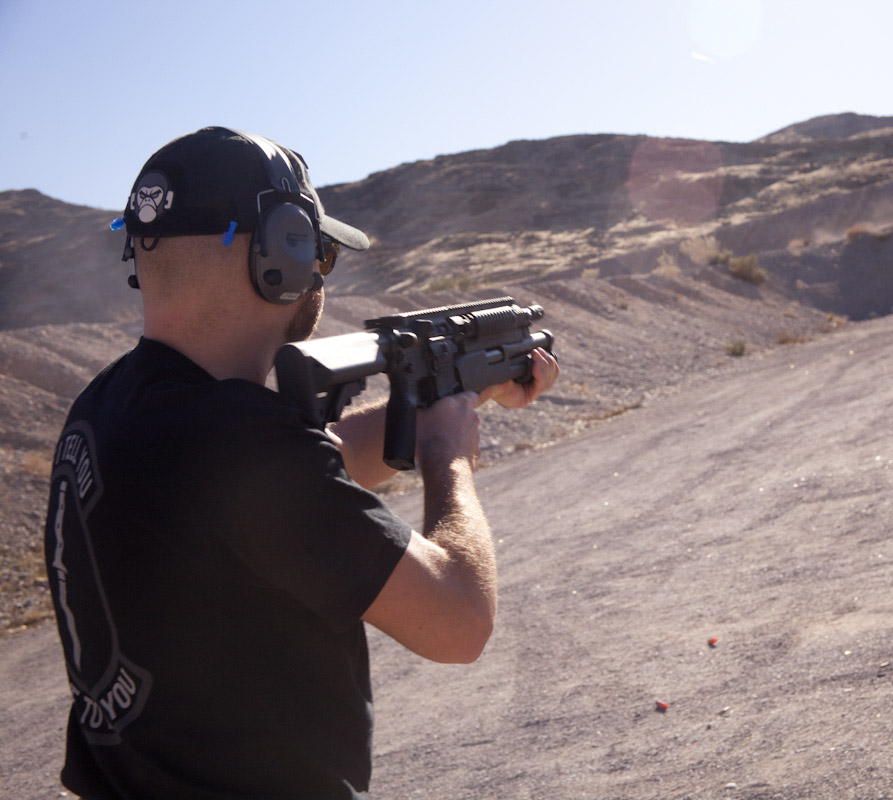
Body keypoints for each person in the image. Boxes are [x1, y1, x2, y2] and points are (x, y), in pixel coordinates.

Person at [42, 126, 558, 799]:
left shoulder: (112, 405)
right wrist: (448, 455)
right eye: (319, 251)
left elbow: (297, 485)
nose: (320, 271)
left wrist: (449, 399)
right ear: (279, 252)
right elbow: (459, 623)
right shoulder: (240, 440)